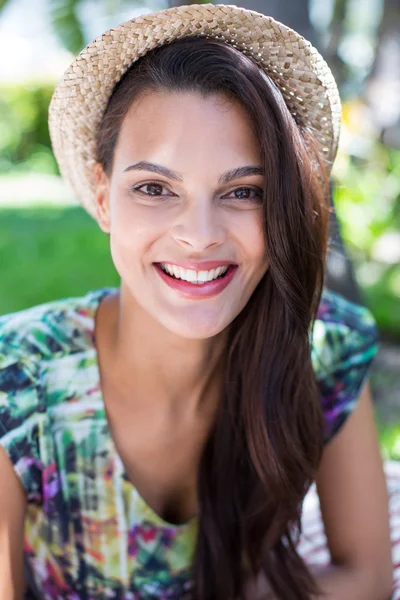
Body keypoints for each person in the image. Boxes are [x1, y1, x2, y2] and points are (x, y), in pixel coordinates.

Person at [0, 4, 393, 600]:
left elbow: (364, 578)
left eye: (242, 191)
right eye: (155, 188)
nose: (200, 234)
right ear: (104, 197)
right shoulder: (18, 379)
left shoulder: (325, 347)